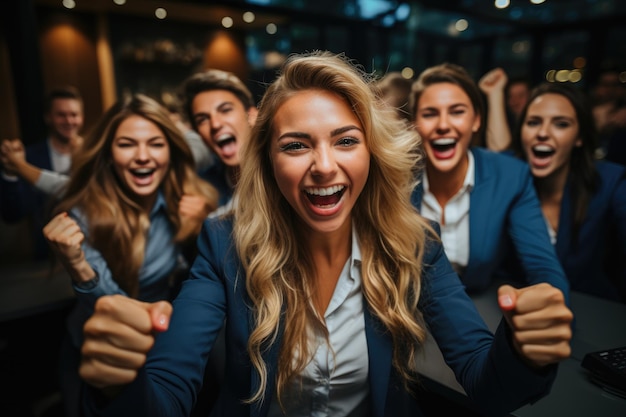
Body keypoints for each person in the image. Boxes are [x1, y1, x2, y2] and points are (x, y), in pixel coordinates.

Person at [76, 51, 572, 417]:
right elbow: (168, 391)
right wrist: (122, 383)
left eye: (346, 140)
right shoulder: (225, 245)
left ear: (371, 153)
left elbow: (487, 386)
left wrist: (521, 350)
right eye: (296, 145)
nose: (324, 166)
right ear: (269, 164)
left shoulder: (414, 243)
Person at [42, 94, 219, 417]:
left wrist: (202, 231)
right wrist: (79, 266)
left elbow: (204, 278)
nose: (142, 156)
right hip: (95, 355)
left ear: (170, 152)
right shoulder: (84, 214)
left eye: (155, 143)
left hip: (164, 350)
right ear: (109, 154)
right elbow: (113, 309)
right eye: (126, 144)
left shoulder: (191, 202)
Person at [408, 62, 570, 300]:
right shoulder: (396, 177)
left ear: (476, 120)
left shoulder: (511, 176)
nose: (443, 125)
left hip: (479, 307)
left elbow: (543, 268)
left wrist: (547, 309)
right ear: (415, 124)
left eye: (457, 111)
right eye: (430, 114)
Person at [510, 82, 626, 303]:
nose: (543, 133)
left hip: (598, 317)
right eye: (533, 122)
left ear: (579, 137)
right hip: (512, 311)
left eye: (561, 124)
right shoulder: (507, 177)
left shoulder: (611, 182)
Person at [0, 85, 84, 261]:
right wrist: (11, 172)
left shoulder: (94, 154)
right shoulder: (28, 157)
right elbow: (13, 214)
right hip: (45, 256)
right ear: (48, 117)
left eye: (74, 115)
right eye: (61, 115)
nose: (69, 121)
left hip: (90, 250)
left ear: (81, 117)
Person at [179, 68, 258, 215]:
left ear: (252, 116)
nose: (215, 124)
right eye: (202, 119)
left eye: (225, 110)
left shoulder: (281, 176)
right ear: (199, 134)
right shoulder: (202, 187)